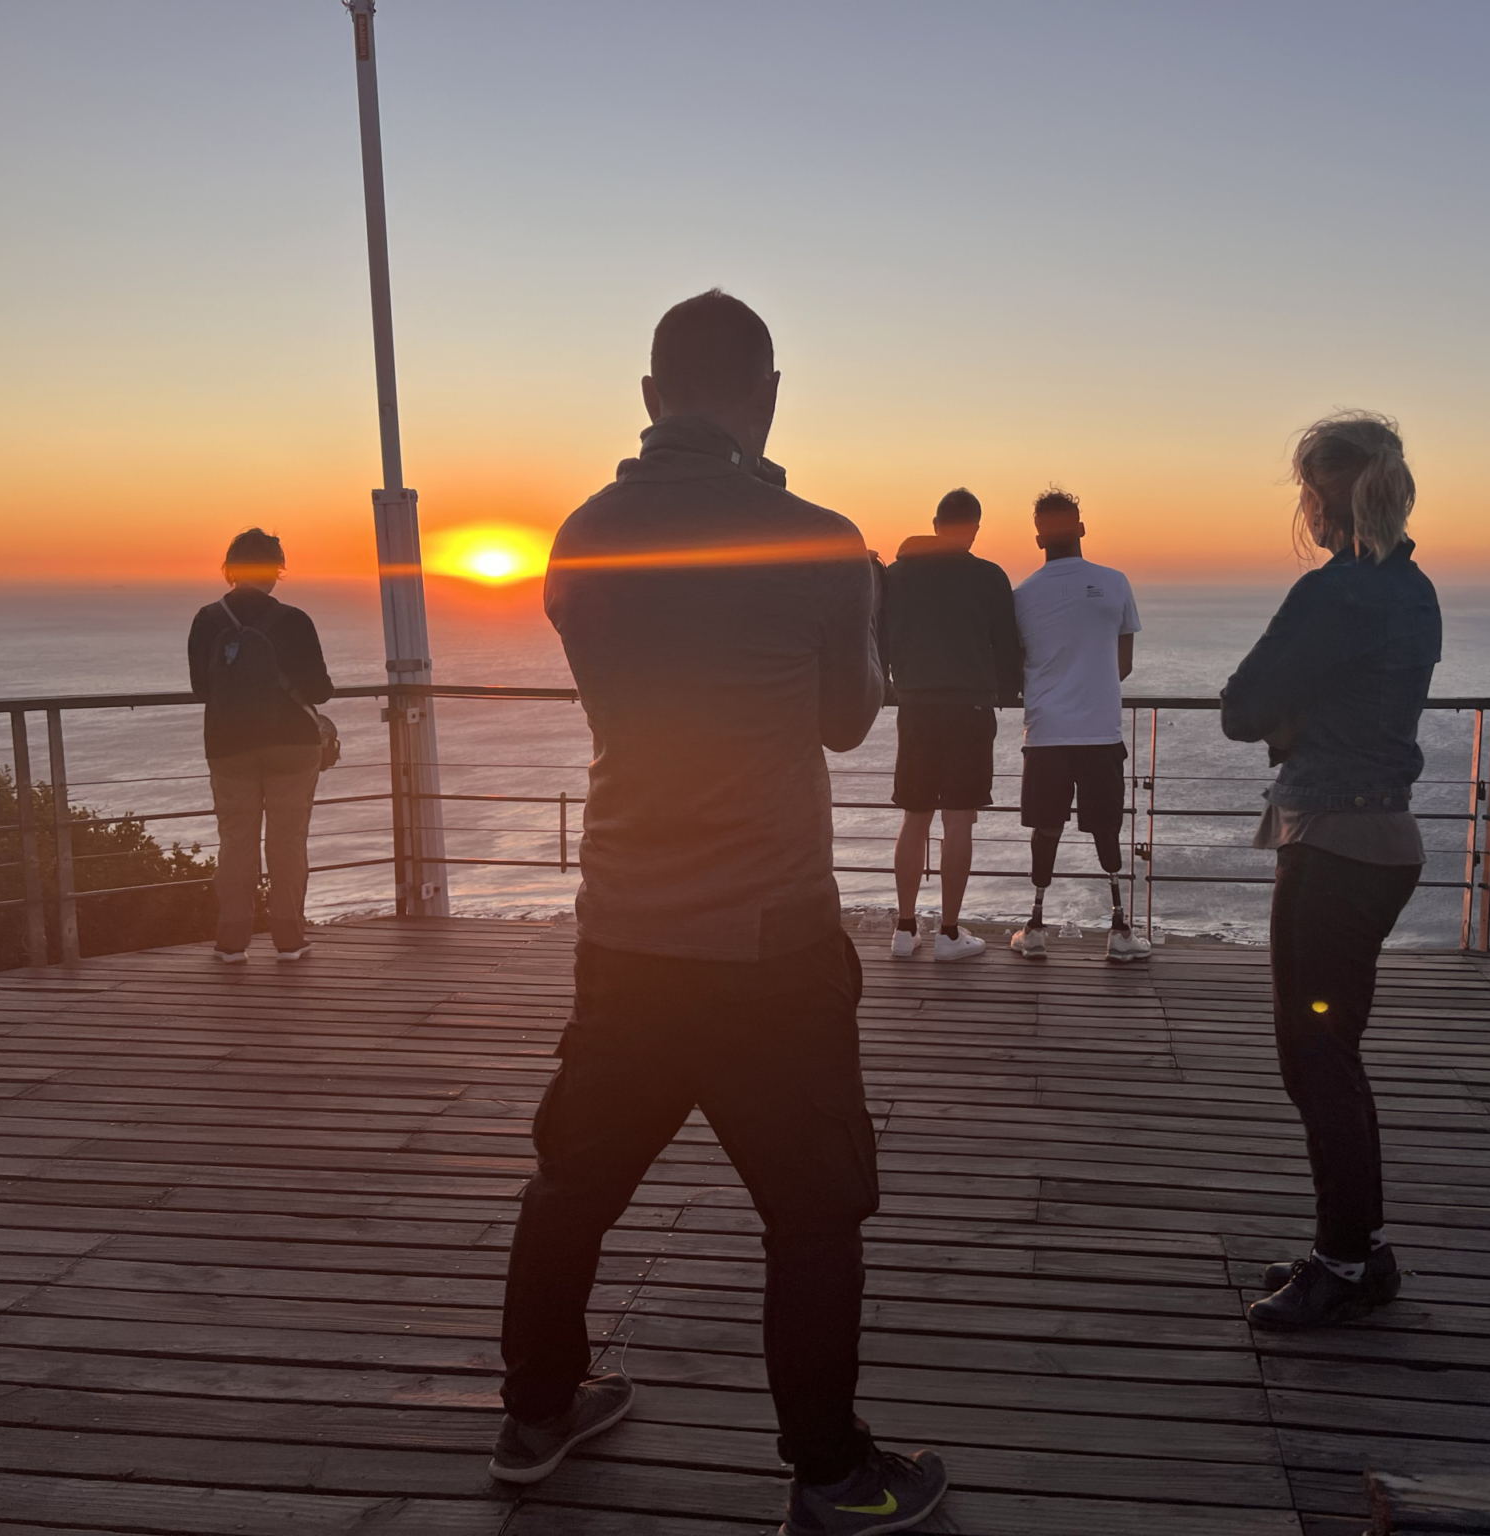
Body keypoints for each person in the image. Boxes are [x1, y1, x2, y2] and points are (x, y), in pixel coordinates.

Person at [493, 290, 949, 1535]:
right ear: (768, 395)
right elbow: (847, 719)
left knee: (569, 1184)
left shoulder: (579, 538)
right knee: (812, 1216)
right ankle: (828, 1474)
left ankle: (534, 1416)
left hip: (625, 931)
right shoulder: (816, 537)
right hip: (771, 942)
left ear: (647, 399)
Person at [1220, 412, 1440, 1330]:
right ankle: (1355, 1246)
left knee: (1315, 1056)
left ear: (1323, 493)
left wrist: (1286, 720)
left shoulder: (1334, 592)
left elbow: (1240, 707)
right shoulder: (1414, 588)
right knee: (1328, 1056)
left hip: (1331, 847)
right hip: (1378, 841)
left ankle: (1346, 1261)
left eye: (1305, 490)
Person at [1008, 488, 1151, 964]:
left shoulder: (1022, 595)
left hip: (1046, 732)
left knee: (1046, 828)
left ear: (1038, 538)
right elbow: (1122, 665)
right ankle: (1119, 931)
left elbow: (1016, 665)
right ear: (1082, 529)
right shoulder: (1115, 583)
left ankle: (1034, 928)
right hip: (1100, 729)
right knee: (1106, 827)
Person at [880, 488, 1022, 962]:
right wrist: (1007, 693)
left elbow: (881, 637)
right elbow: (1007, 648)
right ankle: (949, 933)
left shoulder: (897, 576)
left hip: (915, 706)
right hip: (970, 710)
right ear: (974, 528)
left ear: (936, 522)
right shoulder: (988, 577)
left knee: (913, 816)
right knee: (959, 820)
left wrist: (896, 684)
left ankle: (904, 929)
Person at [186, 528, 334, 964]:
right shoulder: (294, 620)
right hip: (293, 743)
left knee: (236, 843)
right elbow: (319, 691)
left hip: (229, 744)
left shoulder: (207, 619)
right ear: (275, 570)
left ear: (231, 570)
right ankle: (289, 940)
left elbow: (200, 689)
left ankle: (232, 943)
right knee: (288, 843)